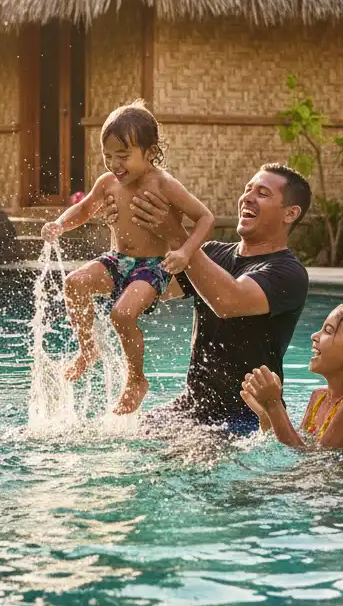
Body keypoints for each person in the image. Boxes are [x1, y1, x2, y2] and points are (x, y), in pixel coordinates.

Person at [41, 101, 215, 414]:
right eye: (108, 156)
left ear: (149, 153)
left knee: (122, 315)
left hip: (153, 267)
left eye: (123, 156)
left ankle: (137, 379)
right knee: (74, 284)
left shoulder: (164, 184)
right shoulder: (107, 183)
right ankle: (88, 350)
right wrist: (59, 224)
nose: (114, 164)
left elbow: (205, 217)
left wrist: (185, 252)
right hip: (116, 259)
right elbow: (84, 209)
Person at [120, 163, 312, 434]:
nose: (247, 197)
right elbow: (149, 291)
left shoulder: (289, 273)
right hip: (191, 406)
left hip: (249, 418)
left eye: (263, 193)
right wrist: (125, 232)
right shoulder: (209, 253)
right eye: (247, 189)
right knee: (125, 437)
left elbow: (228, 301)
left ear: (290, 213)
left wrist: (178, 235)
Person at [240, 303, 343, 449]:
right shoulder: (318, 397)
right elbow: (298, 447)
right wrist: (266, 415)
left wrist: (274, 404)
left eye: (328, 331)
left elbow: (315, 461)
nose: (314, 335)